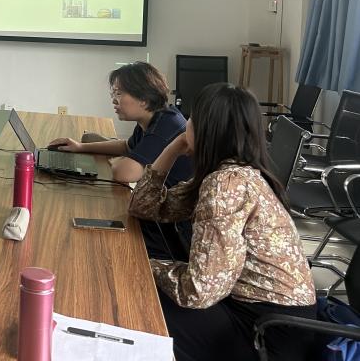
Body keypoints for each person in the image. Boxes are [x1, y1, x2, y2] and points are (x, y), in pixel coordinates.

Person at [129, 83, 317, 361]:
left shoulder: (226, 185)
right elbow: (144, 207)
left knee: (138, 299)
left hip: (266, 333)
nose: (185, 124)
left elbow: (199, 291)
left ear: (207, 129)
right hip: (259, 313)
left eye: (191, 120)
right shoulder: (232, 172)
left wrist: (144, 266)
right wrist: (174, 147)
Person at [47, 61, 192, 259]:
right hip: (156, 210)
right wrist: (80, 147)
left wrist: (118, 161)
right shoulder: (155, 118)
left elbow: (124, 173)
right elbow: (127, 146)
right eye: (113, 93)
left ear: (143, 99)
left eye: (119, 93)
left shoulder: (165, 126)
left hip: (169, 232)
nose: (114, 100)